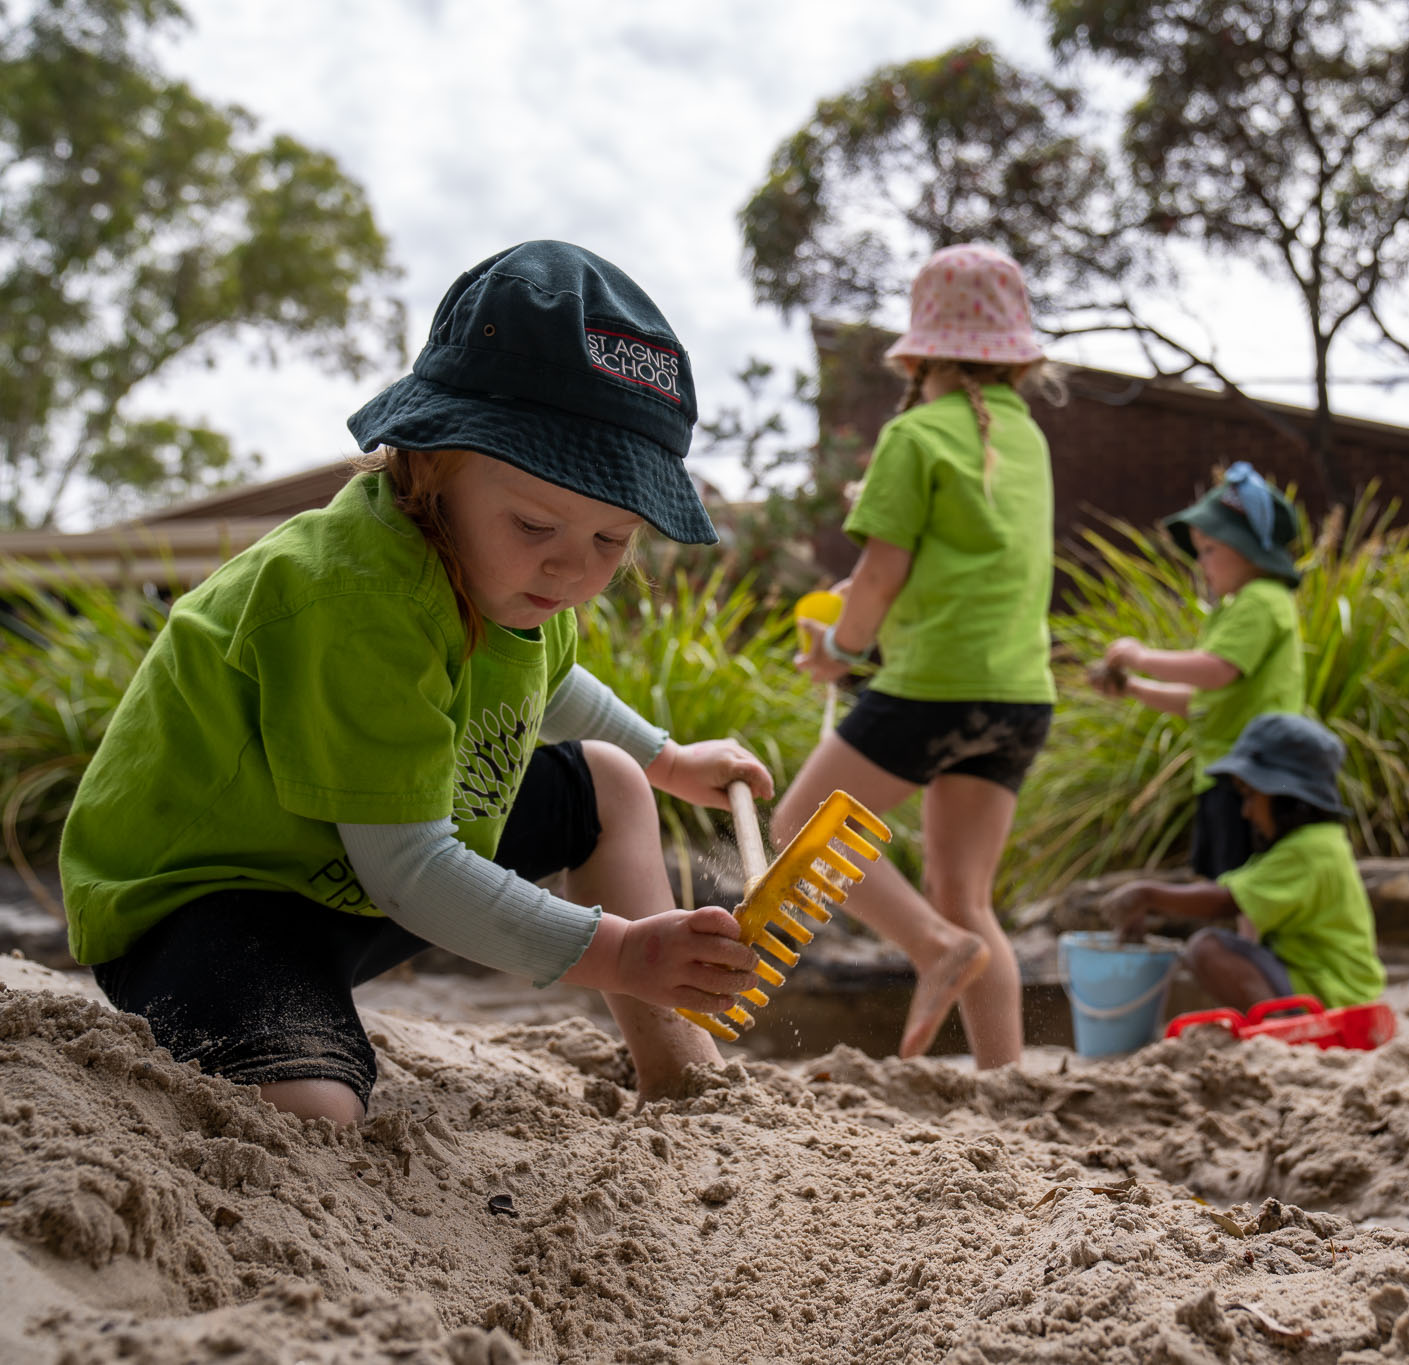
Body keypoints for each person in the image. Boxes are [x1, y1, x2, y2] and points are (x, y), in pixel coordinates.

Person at [60, 241, 774, 1126]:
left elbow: (550, 685)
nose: (572, 568)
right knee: (312, 1113)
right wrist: (622, 951)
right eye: (536, 524)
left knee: (611, 782)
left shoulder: (516, 578)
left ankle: (682, 1073)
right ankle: (272, 1030)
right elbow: (409, 868)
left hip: (349, 877)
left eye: (611, 539)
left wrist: (668, 759)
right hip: (212, 899)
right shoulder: (355, 595)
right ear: (432, 465)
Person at [783, 243, 1063, 1069]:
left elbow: (880, 574)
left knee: (800, 823)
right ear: (1017, 356)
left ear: (920, 352)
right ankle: (1006, 1083)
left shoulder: (913, 434)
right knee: (966, 897)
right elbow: (965, 566)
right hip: (1020, 695)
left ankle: (930, 946)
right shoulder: (1029, 439)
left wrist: (839, 650)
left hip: (936, 684)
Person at [1090, 463, 1305, 878]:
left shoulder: (1262, 600)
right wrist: (1133, 688)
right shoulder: (1233, 610)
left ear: (1247, 549)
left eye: (1209, 550)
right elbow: (1200, 700)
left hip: (1255, 775)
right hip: (1222, 773)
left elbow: (1215, 671)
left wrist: (1141, 656)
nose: (1200, 563)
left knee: (1240, 884)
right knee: (1217, 879)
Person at [1108, 712, 1384, 1012]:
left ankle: (1278, 1025)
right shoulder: (1314, 843)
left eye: (1250, 795)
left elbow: (1227, 901)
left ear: (1286, 796)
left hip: (1333, 991)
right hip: (1326, 983)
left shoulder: (1308, 849)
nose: (1246, 811)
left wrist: (1149, 896)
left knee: (1206, 948)